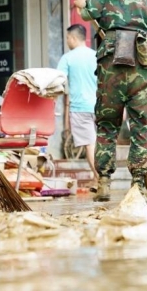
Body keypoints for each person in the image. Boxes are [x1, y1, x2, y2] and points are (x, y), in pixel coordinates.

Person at [73, 0, 147, 202]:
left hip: (111, 64)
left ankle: (104, 183)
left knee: (107, 125)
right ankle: (138, 185)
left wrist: (81, 3)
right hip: (142, 67)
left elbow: (88, 12)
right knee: (141, 127)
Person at [58, 24, 99, 183]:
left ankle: (100, 178)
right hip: (100, 106)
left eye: (68, 37)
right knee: (100, 143)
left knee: (90, 144)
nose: (67, 41)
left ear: (74, 38)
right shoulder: (96, 55)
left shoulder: (68, 57)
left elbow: (58, 81)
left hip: (80, 108)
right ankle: (99, 179)